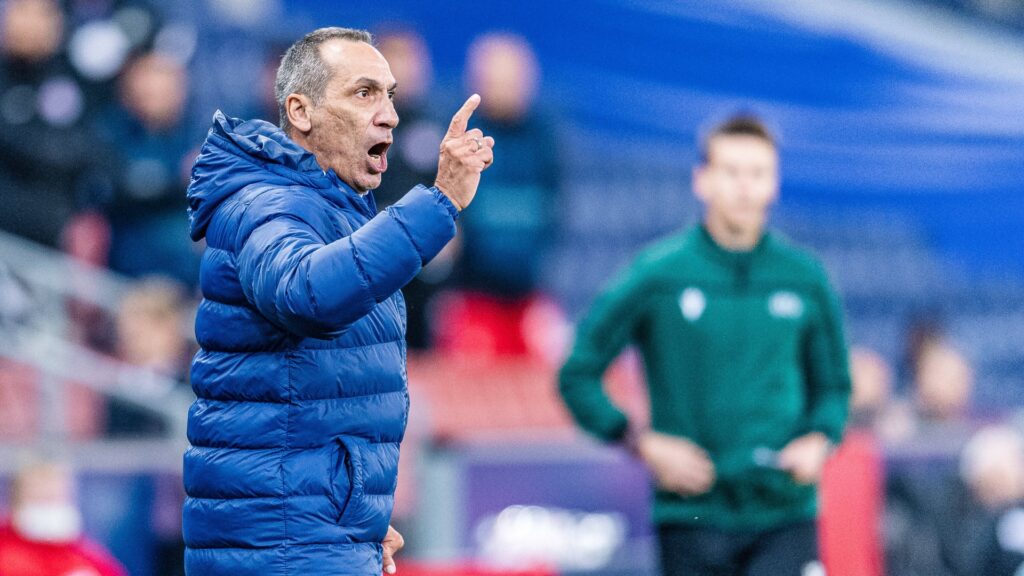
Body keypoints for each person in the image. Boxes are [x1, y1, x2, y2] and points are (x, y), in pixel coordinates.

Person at [182, 27, 494, 576]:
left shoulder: (333, 211)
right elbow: (308, 294)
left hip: (305, 534)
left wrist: (354, 520)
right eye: (364, 93)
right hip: (279, 548)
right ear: (300, 111)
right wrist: (440, 200)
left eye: (390, 95)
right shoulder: (264, 204)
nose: (389, 115)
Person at [558, 115, 851, 576]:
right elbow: (578, 373)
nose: (745, 187)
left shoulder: (805, 277)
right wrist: (640, 442)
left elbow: (833, 386)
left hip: (785, 513)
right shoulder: (659, 273)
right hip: (692, 513)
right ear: (703, 180)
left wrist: (820, 439)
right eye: (731, 172)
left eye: (758, 173)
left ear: (774, 184)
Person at [434, 32, 561, 358]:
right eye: (498, 80)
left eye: (514, 80)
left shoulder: (545, 138)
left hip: (528, 298)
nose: (507, 88)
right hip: (472, 299)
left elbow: (553, 208)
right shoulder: (458, 136)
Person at [0, 461, 127, 576]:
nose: (48, 501)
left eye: (54, 496)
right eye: (40, 497)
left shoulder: (86, 554)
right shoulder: (5, 551)